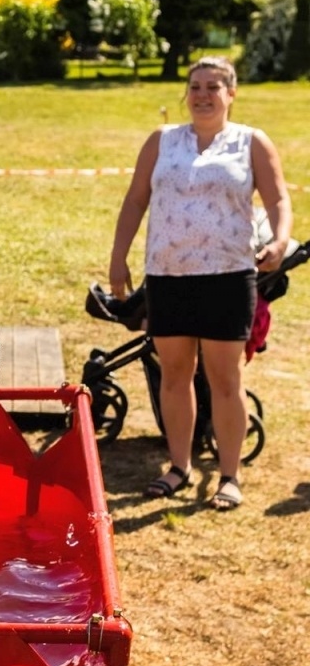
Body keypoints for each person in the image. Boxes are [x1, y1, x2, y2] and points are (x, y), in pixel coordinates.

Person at [111, 56, 292, 511]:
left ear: (231, 94)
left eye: (214, 86)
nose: (203, 95)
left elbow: (277, 199)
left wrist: (280, 240)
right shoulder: (161, 141)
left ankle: (229, 475)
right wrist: (118, 258)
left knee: (225, 379)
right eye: (195, 86)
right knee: (174, 376)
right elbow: (135, 201)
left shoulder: (251, 141)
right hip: (168, 275)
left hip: (228, 276)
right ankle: (178, 467)